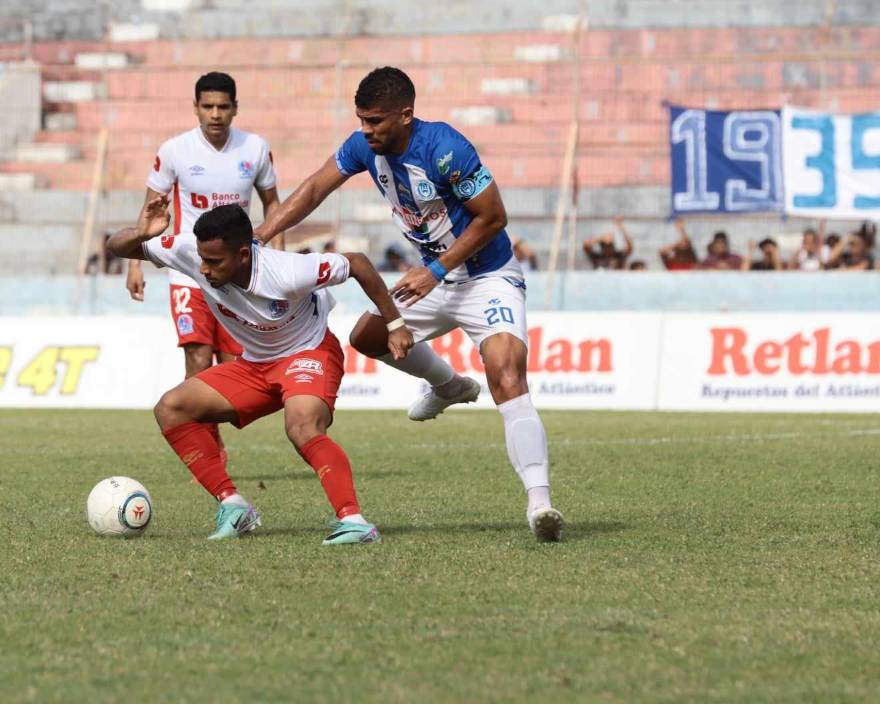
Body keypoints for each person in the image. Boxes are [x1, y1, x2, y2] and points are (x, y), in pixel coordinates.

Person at [254, 66, 565, 541]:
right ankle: (447, 385)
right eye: (361, 120)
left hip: (486, 277)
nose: (366, 130)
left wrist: (436, 270)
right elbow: (316, 187)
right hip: (433, 278)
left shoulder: (445, 149)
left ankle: (539, 504)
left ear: (405, 114)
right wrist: (261, 234)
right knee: (367, 337)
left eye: (375, 120)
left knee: (506, 372)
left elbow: (493, 217)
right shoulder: (364, 147)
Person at [108, 201, 412, 544]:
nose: (204, 269)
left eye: (214, 262)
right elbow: (116, 247)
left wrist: (395, 324)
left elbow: (357, 263)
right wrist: (140, 234)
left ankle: (354, 521)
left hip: (307, 352)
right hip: (254, 365)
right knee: (171, 408)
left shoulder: (287, 271)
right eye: (202, 259)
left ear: (242, 254)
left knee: (302, 426)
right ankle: (234, 506)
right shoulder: (189, 251)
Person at [125, 70, 283, 473]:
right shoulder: (175, 151)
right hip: (187, 272)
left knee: (234, 366)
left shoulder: (255, 148)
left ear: (235, 108)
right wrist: (135, 263)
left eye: (223, 107)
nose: (215, 114)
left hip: (236, 276)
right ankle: (210, 455)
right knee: (197, 359)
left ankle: (215, 431)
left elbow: (273, 205)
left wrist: (277, 258)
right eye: (208, 106)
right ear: (195, 107)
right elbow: (150, 211)